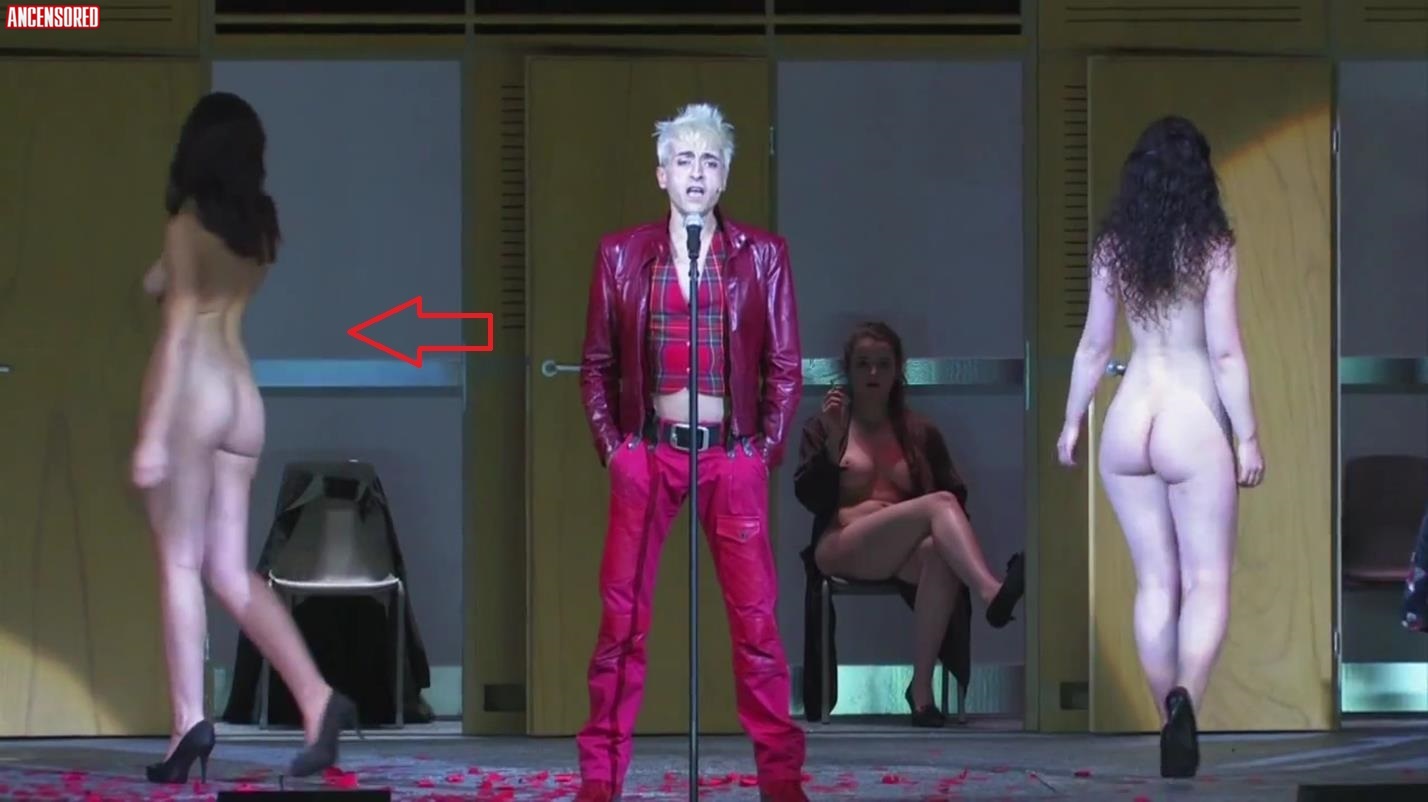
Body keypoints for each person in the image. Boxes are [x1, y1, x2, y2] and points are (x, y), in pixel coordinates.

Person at [575, 102, 807, 802]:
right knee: (622, 623)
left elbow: (785, 366)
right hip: (650, 452)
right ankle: (599, 781)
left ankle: (781, 782)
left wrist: (762, 452)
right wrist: (615, 448)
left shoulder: (762, 256)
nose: (697, 173)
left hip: (730, 454)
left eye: (710, 161)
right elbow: (596, 365)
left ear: (726, 175)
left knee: (757, 625)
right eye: (684, 161)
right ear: (662, 175)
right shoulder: (622, 255)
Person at [133, 91, 357, 784]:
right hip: (242, 398)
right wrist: (164, 274)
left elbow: (178, 331)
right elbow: (195, 291)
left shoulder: (185, 226)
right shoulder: (256, 232)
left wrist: (151, 437)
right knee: (230, 572)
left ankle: (187, 724)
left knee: (179, 562)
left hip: (195, 394)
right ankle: (318, 699)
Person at [1056, 115, 1265, 779]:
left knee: (1154, 583)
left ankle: (1167, 714)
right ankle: (1186, 702)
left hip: (1128, 417)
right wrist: (1247, 437)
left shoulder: (1114, 247)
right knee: (1206, 581)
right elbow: (1225, 352)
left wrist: (1071, 422)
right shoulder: (1213, 248)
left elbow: (1094, 345)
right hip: (1190, 418)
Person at [793, 321, 1025, 727]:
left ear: (897, 370)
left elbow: (954, 491)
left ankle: (921, 694)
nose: (873, 373)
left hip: (899, 551)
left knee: (940, 552)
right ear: (848, 369)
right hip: (841, 545)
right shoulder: (824, 425)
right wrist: (832, 444)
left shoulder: (919, 431)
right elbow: (809, 497)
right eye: (863, 364)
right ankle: (990, 591)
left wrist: (930, 529)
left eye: (883, 364)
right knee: (940, 504)